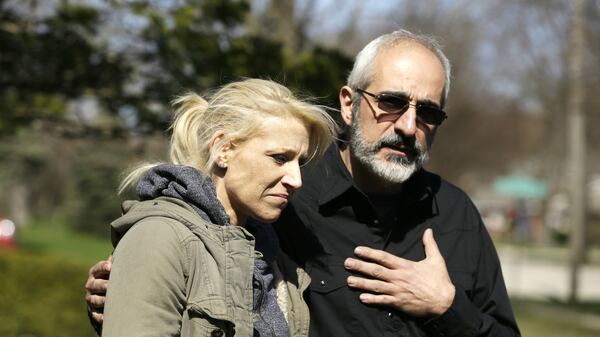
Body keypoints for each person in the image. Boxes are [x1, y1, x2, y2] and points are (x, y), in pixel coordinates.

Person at [86, 30, 521, 337]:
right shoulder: (283, 198)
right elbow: (198, 256)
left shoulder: (458, 214)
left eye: (428, 112)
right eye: (391, 102)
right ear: (349, 104)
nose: (409, 125)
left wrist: (447, 307)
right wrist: (126, 287)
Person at [95, 78, 336, 337]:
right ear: (223, 149)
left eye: (299, 162)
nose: (296, 180)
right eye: (280, 158)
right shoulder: (158, 238)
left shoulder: (274, 259)